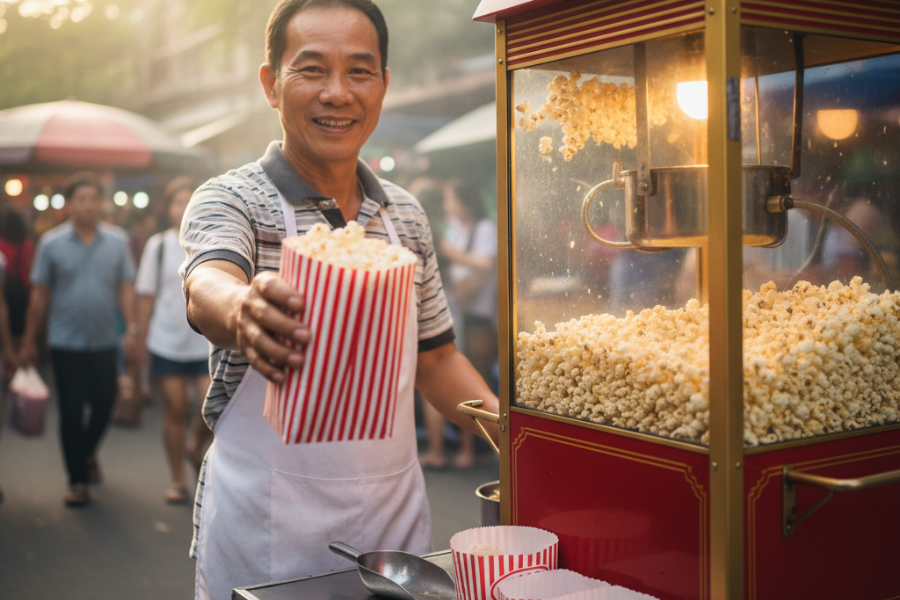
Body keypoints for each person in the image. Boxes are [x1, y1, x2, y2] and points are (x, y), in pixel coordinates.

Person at [178, 1, 500, 598]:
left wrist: (513, 437)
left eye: (359, 71)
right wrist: (244, 310)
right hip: (267, 529)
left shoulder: (404, 212)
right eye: (311, 70)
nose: (337, 93)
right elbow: (207, 285)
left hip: (393, 527)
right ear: (271, 85)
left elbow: (434, 358)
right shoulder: (232, 199)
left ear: (383, 84)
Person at [20, 172, 139, 507]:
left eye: (93, 199)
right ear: (69, 205)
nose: (88, 205)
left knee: (104, 404)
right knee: (71, 411)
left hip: (105, 340)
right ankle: (77, 480)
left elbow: (126, 288)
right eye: (81, 199)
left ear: (101, 204)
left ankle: (86, 452)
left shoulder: (117, 241)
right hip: (64, 342)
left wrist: (132, 330)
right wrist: (29, 340)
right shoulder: (51, 244)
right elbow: (40, 295)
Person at [135, 177, 213, 504]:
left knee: (211, 408)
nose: (183, 208)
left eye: (189, 200)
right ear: (168, 208)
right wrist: (138, 339)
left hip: (204, 342)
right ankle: (178, 478)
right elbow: (146, 296)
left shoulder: (212, 240)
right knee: (176, 409)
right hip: (166, 340)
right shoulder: (160, 245)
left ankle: (194, 446)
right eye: (177, 201)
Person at [420, 180, 498, 470]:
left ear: (465, 202)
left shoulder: (484, 228)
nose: (447, 204)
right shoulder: (456, 226)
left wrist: (448, 254)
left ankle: (475, 447)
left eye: (451, 199)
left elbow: (484, 266)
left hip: (477, 314)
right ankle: (463, 447)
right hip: (461, 308)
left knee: (472, 379)